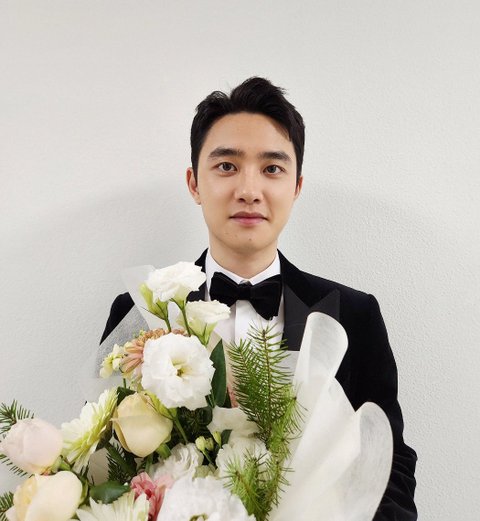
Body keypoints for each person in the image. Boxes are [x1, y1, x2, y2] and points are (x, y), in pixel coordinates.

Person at [101, 77, 417, 520]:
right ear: (194, 183)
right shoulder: (140, 312)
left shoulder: (355, 316)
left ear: (297, 186)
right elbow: (106, 463)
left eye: (271, 169)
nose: (249, 190)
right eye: (227, 166)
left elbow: (388, 463)